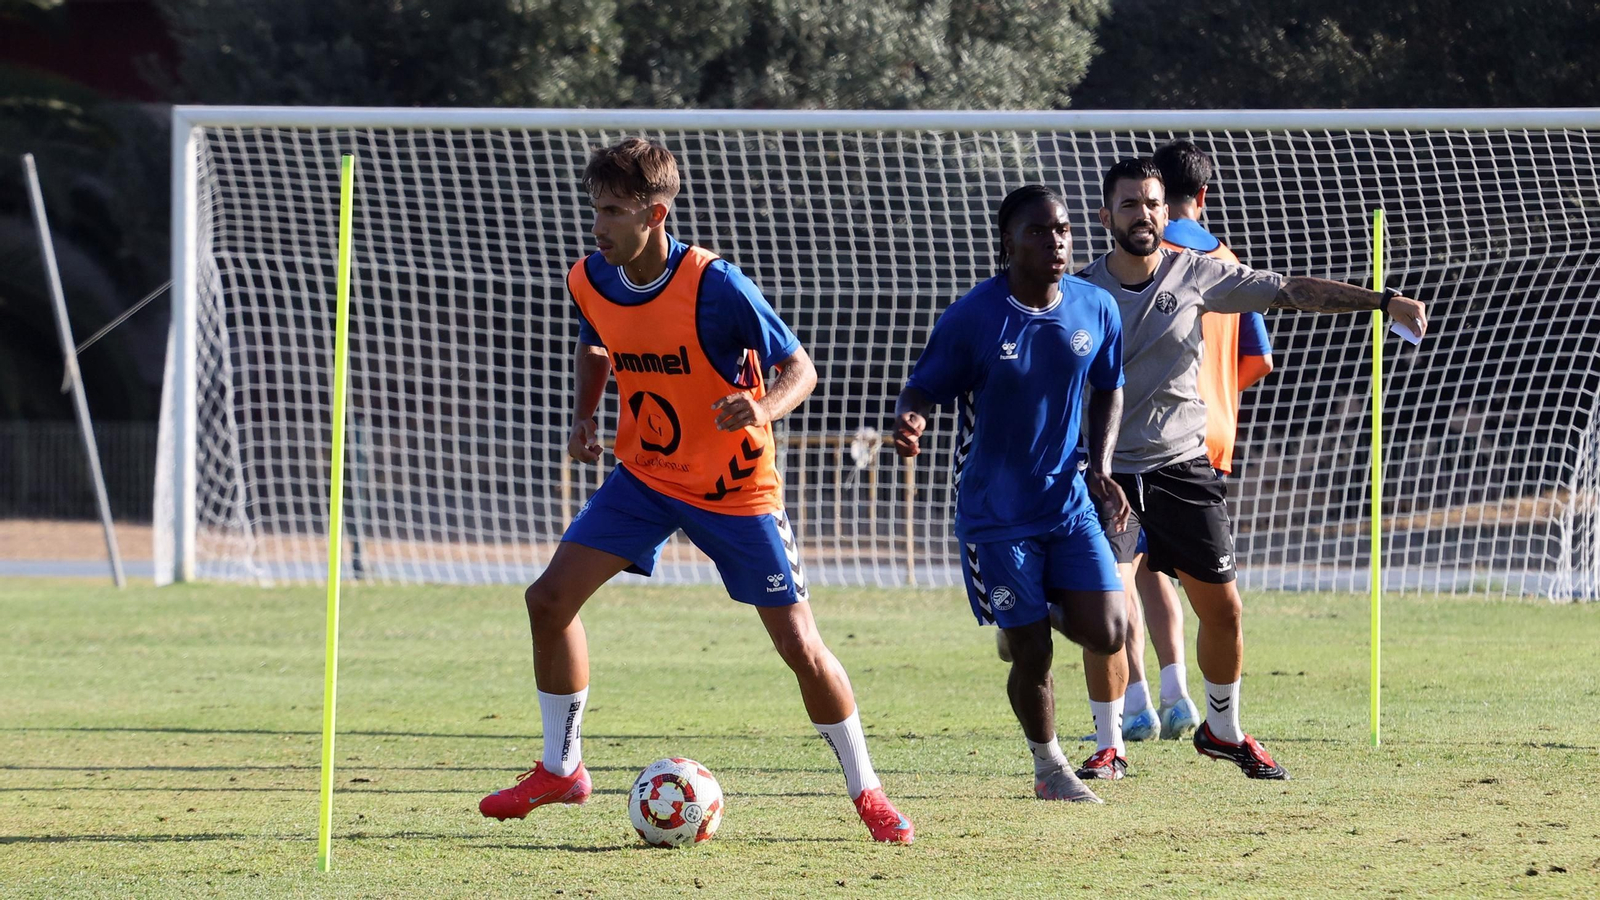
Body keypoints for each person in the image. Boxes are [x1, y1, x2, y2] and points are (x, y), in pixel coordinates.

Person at [478, 138, 913, 843]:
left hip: (735, 490)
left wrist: (762, 408)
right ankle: (563, 770)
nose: (599, 225)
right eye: (595, 209)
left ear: (655, 213)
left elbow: (800, 368)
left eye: (614, 211)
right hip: (646, 478)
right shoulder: (590, 276)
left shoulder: (716, 286)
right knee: (548, 599)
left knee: (799, 644)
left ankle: (869, 793)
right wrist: (585, 418)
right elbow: (596, 341)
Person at [1076, 157, 1426, 780]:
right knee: (1106, 610)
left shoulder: (1202, 273)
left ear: (1167, 211)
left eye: (1152, 203)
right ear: (1106, 216)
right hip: (1107, 474)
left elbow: (1289, 290)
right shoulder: (1080, 294)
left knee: (1225, 610)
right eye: (1129, 204)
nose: (1143, 214)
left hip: (1183, 469)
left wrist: (1383, 301)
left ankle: (1223, 729)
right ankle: (1110, 745)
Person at [893, 185, 1134, 801]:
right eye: (1038, 231)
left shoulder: (1095, 307)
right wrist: (912, 418)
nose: (1054, 242)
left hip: (1069, 502)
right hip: (994, 513)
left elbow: (1108, 386)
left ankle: (1021, 612)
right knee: (1034, 652)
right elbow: (922, 387)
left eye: (1063, 230)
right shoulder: (974, 316)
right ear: (1008, 240)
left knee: (1110, 633)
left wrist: (1101, 466)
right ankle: (1050, 768)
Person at [1113, 140, 1279, 742]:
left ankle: (1139, 702)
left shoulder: (1150, 257)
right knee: (1187, 581)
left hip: (1140, 442)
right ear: (1203, 196)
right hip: (1210, 440)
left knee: (1125, 576)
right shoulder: (1226, 258)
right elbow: (1256, 360)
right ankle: (1181, 694)